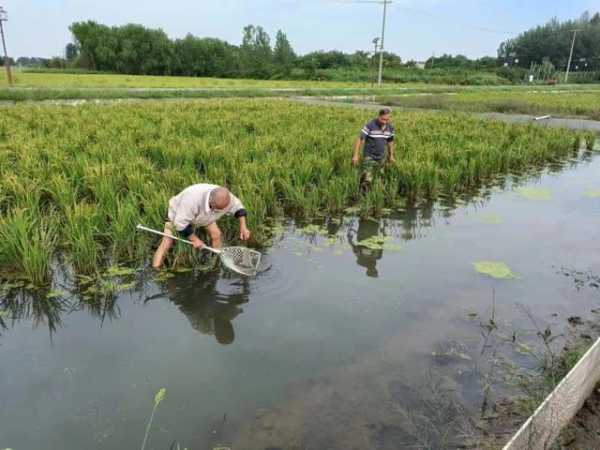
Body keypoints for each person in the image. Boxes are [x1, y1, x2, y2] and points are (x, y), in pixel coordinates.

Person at [152, 184, 251, 269]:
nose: (223, 211)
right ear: (211, 203)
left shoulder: (226, 197)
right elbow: (180, 224)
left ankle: (215, 262)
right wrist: (194, 239)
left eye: (224, 209)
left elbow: (239, 208)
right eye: (219, 210)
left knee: (216, 235)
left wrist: (243, 226)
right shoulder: (192, 198)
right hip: (176, 215)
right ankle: (156, 270)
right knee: (167, 242)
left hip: (203, 217)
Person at [352, 108, 396, 192]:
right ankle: (364, 196)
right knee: (367, 179)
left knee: (380, 178)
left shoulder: (390, 128)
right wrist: (356, 155)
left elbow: (390, 142)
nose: (384, 122)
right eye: (382, 119)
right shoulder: (370, 125)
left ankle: (376, 196)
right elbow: (360, 139)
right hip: (369, 156)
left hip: (381, 157)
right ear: (379, 116)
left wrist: (391, 155)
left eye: (387, 119)